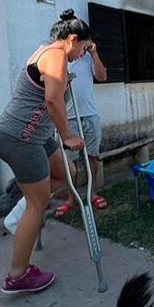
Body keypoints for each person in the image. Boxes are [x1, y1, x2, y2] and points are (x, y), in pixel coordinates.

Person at [0, 9, 90, 294]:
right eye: (83, 48)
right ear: (72, 39)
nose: (82, 54)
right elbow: (51, 100)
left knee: (66, 173)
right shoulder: (55, 55)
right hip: (20, 138)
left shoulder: (49, 53)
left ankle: (21, 215)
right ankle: (17, 275)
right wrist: (68, 136)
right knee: (38, 203)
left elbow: (52, 94)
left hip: (37, 136)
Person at [54, 30, 108, 216]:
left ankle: (92, 194)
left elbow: (102, 76)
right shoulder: (61, 60)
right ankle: (71, 197)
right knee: (71, 162)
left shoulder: (88, 58)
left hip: (90, 114)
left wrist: (94, 54)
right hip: (68, 117)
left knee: (92, 156)